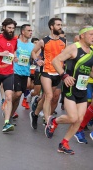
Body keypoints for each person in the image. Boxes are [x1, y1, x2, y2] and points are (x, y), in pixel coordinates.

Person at [45, 26, 93, 155]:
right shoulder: (74, 48)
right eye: (91, 34)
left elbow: (90, 71)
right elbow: (56, 60)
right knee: (73, 118)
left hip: (82, 88)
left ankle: (64, 143)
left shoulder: (92, 50)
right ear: (82, 35)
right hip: (70, 87)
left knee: (79, 119)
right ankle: (53, 121)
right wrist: (64, 75)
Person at [29, 18, 66, 129]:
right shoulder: (43, 41)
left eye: (61, 25)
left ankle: (35, 114)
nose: (60, 27)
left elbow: (66, 54)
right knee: (49, 96)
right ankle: (48, 121)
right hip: (46, 72)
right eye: (58, 25)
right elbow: (33, 52)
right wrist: (37, 61)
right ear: (51, 27)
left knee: (46, 97)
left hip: (58, 73)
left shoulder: (64, 41)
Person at [11, 24, 34, 119]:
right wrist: (14, 56)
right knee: (18, 93)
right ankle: (7, 103)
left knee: (18, 97)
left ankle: (11, 114)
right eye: (28, 30)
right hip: (15, 71)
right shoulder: (16, 42)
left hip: (25, 72)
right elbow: (11, 50)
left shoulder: (32, 45)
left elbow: (34, 57)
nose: (31, 32)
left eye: (31, 31)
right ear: (23, 32)